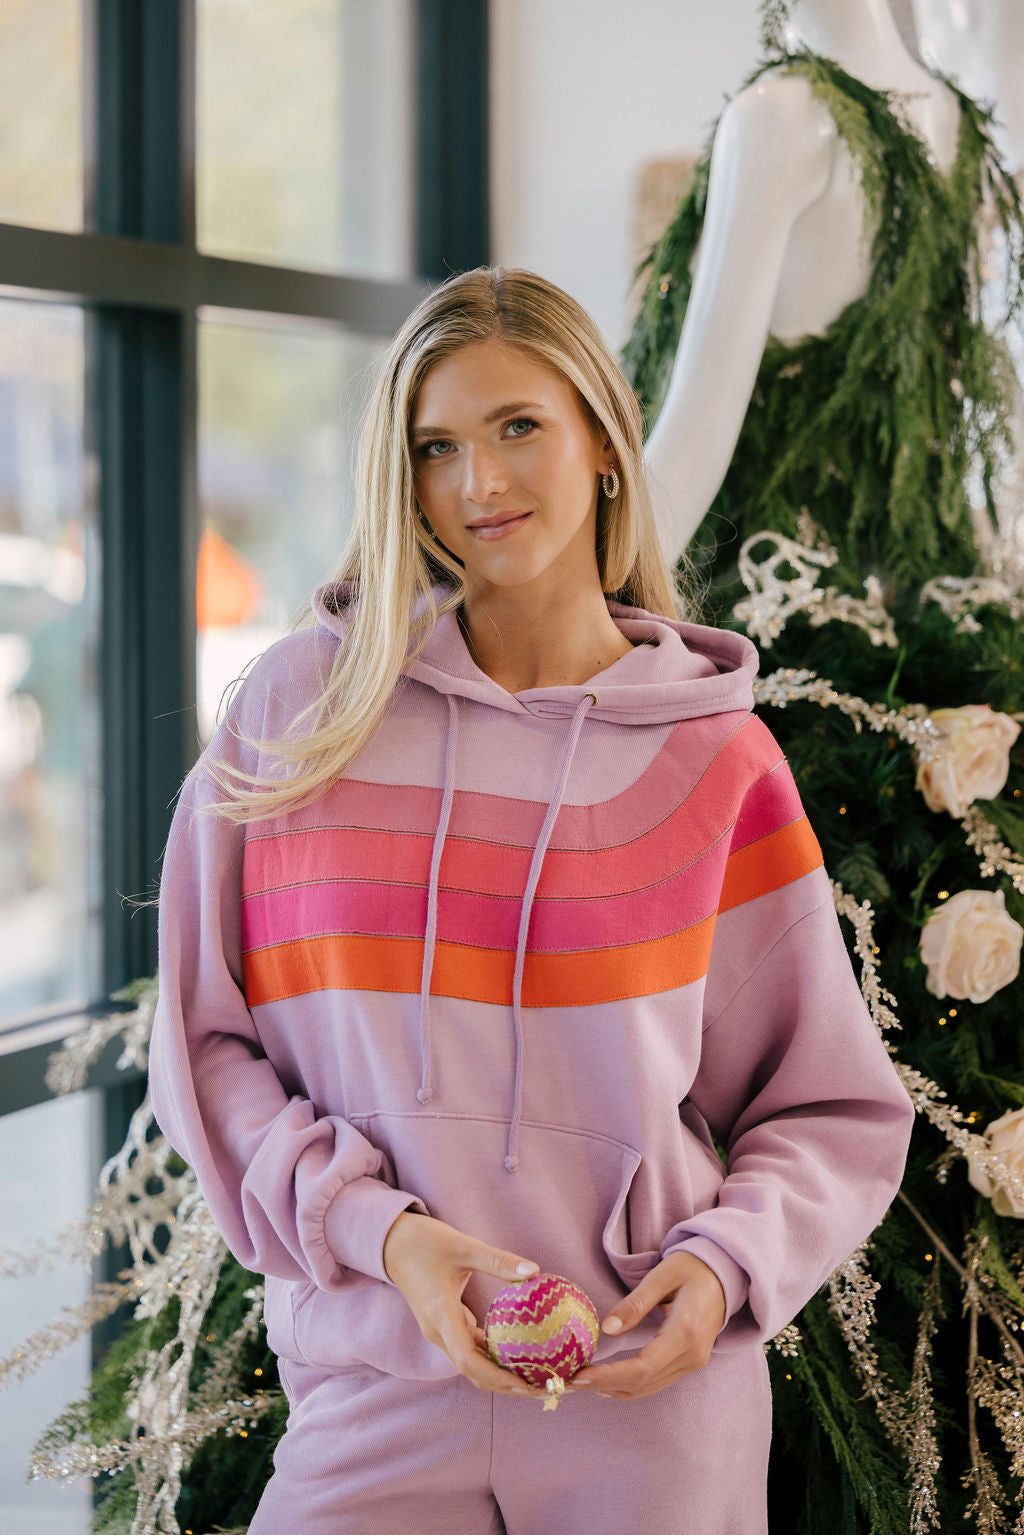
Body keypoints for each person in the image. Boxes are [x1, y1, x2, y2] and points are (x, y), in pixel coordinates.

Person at [147, 265, 916, 1535]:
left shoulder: (715, 762)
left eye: (518, 427)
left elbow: (827, 1104)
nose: (479, 483)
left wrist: (721, 1270)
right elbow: (202, 1042)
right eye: (435, 446)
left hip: (645, 1405)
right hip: (373, 1383)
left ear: (604, 444)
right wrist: (384, 1234)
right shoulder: (302, 718)